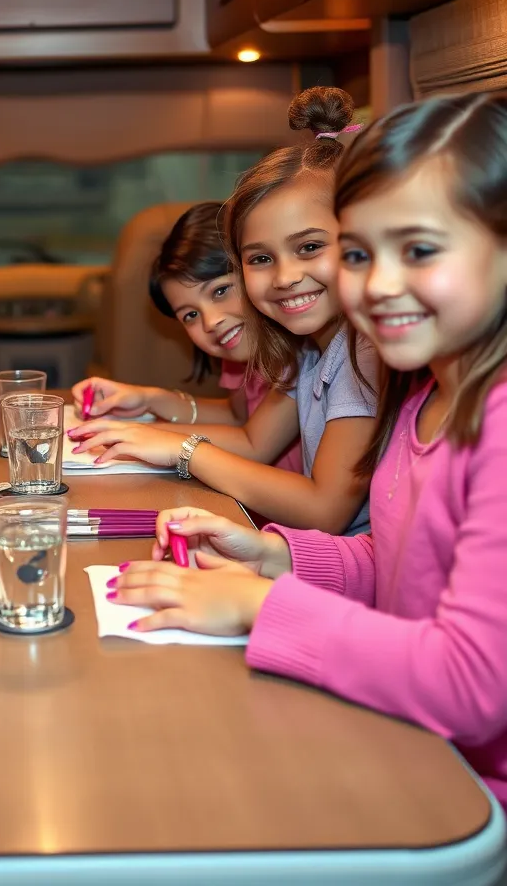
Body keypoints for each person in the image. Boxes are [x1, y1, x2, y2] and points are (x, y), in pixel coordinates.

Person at [110, 90, 507, 811]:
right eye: (358, 253)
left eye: (418, 250)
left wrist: (263, 606)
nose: (379, 284)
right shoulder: (422, 395)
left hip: (467, 792)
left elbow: (471, 687)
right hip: (409, 733)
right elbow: (396, 562)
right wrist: (276, 558)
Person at [71, 87, 377, 534]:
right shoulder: (312, 349)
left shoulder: (359, 355)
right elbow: (252, 437)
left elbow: (324, 510)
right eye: (261, 259)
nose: (286, 276)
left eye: (310, 247)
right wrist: (147, 427)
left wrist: (181, 449)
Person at [71, 202, 300, 472]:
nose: (211, 322)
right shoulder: (242, 349)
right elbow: (238, 416)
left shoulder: (300, 352)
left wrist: (149, 435)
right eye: (190, 315)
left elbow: (254, 444)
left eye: (220, 291)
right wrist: (149, 399)